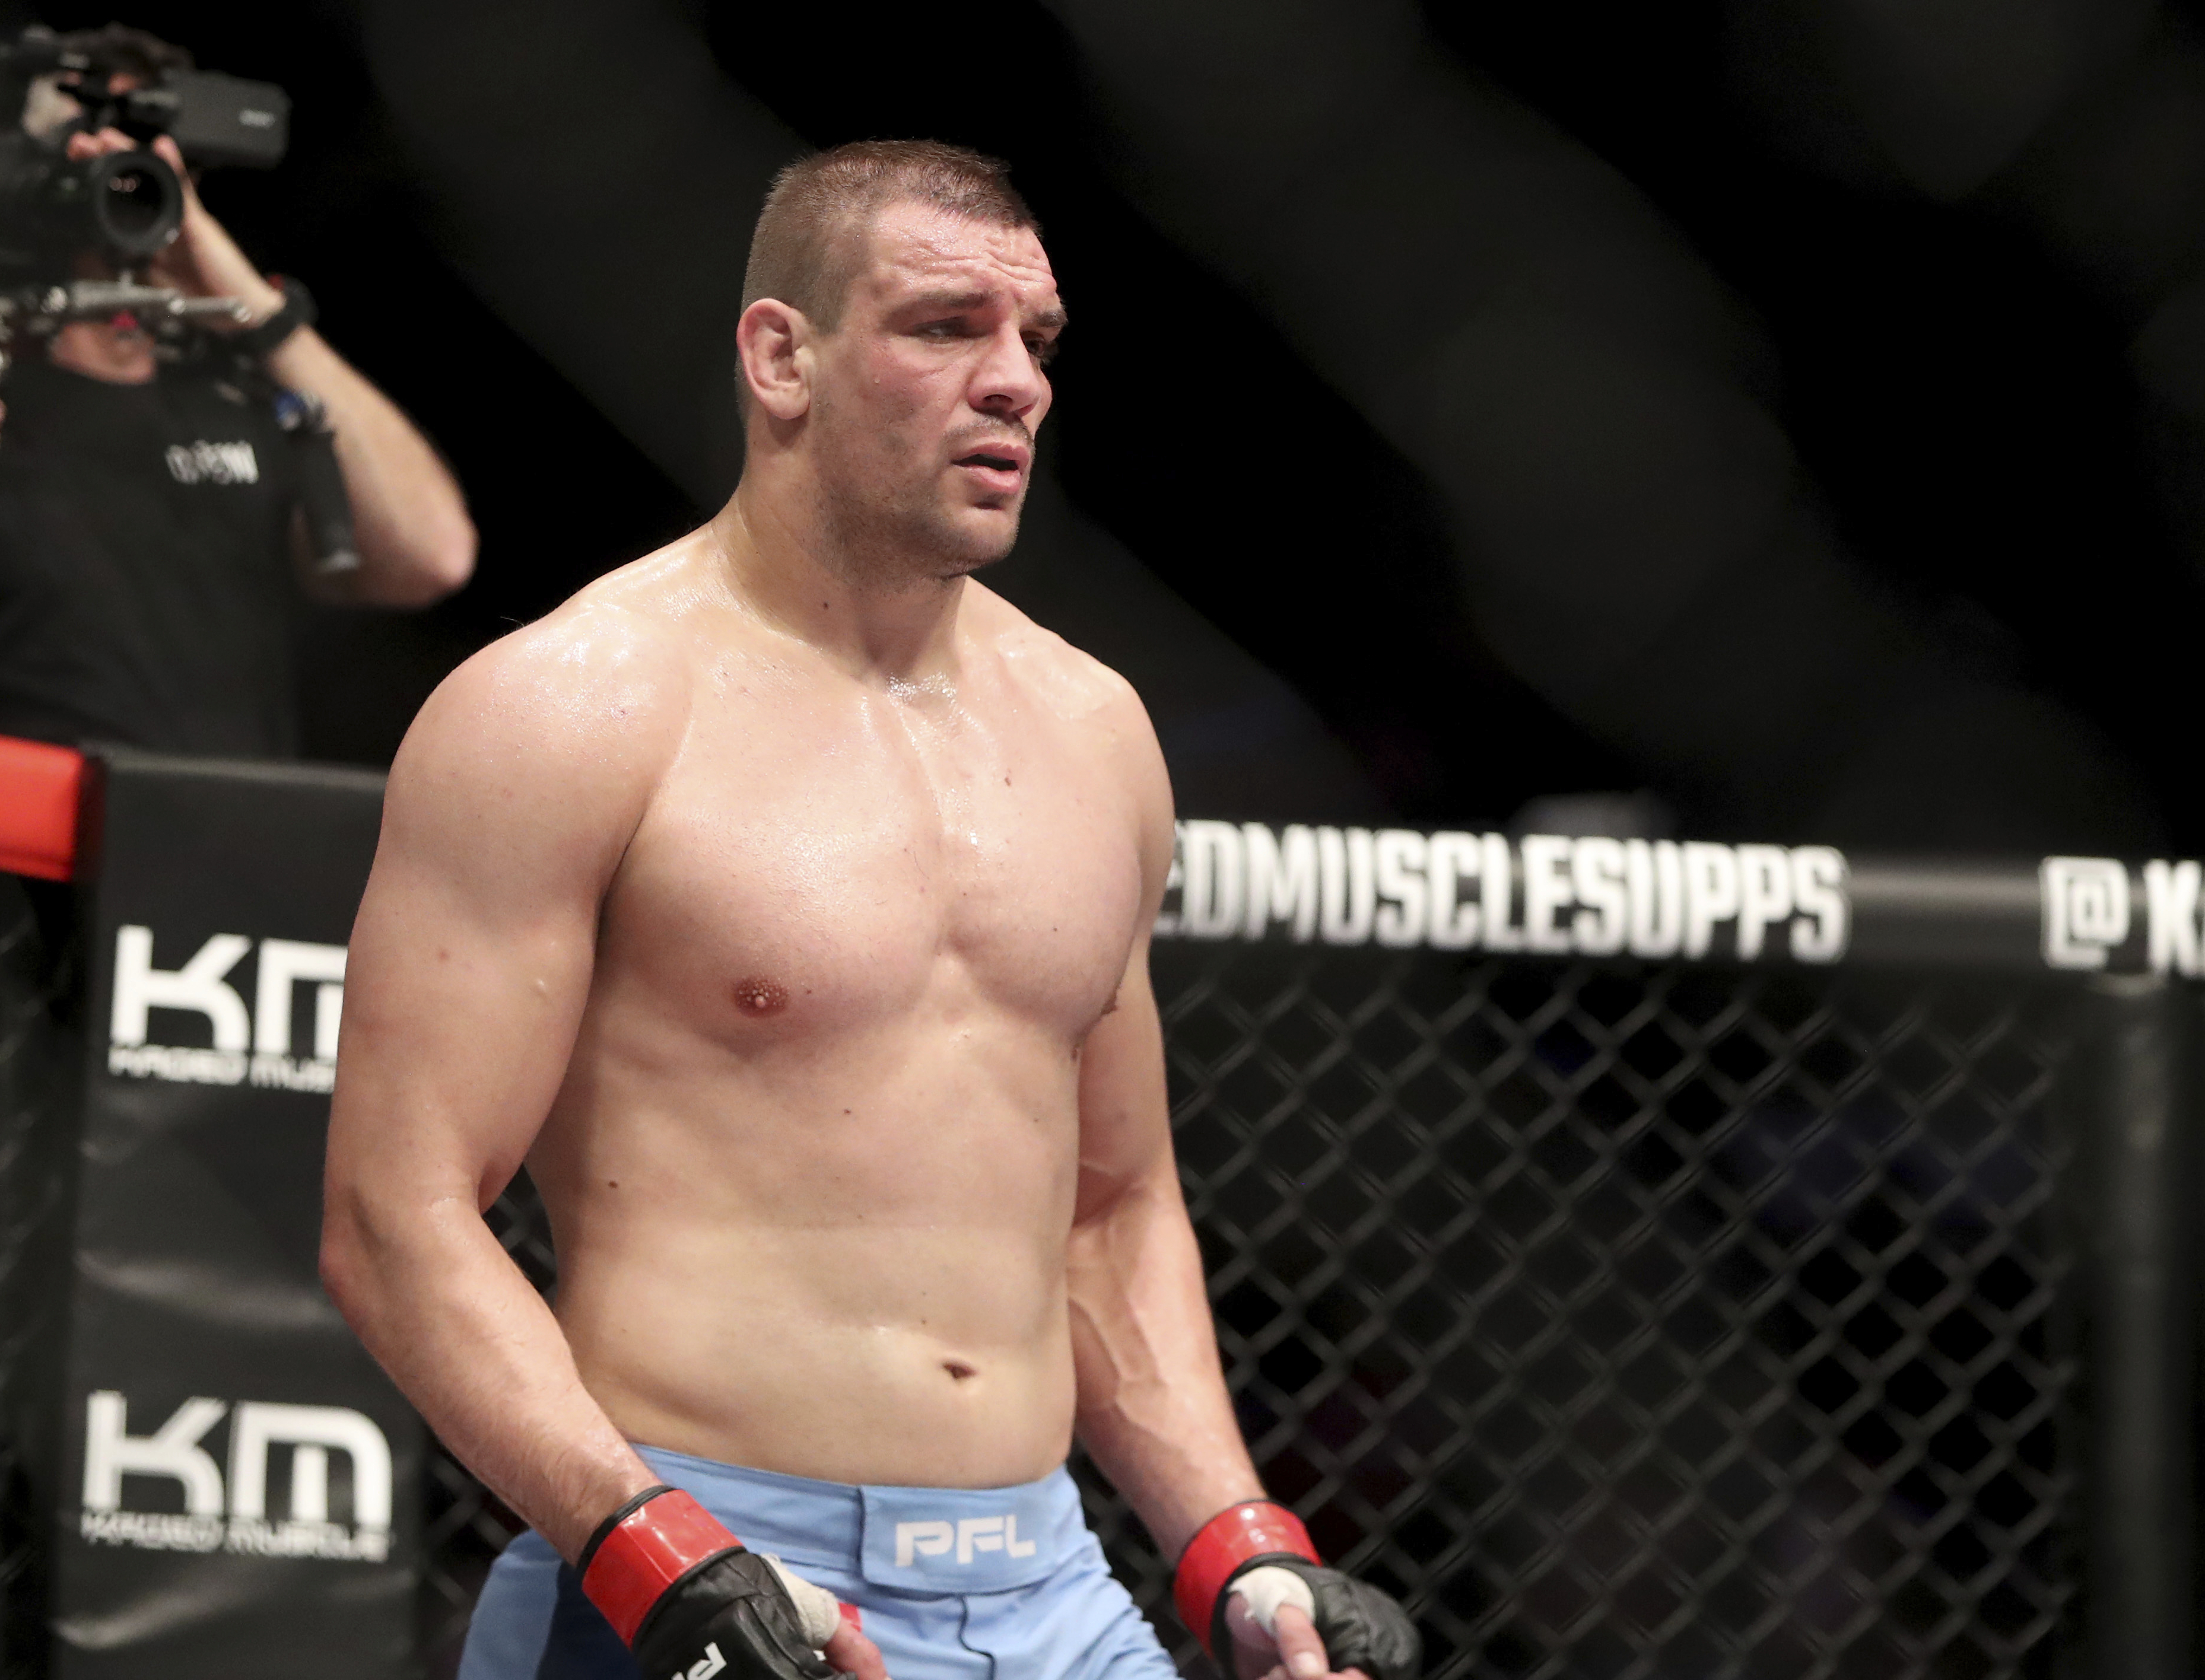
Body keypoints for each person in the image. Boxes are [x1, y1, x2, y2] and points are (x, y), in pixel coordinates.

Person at [320, 141, 1419, 1680]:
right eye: (944, 326)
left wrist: (1235, 1541)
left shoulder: (1097, 732)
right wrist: (650, 1550)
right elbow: (396, 1213)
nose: (1015, 381)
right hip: (708, 1553)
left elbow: (1111, 1210)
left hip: (1050, 1587)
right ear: (783, 357)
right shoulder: (573, 710)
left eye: (1036, 341)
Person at [0, 25, 474, 756]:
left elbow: (428, 556)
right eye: (75, 150)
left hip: (201, 880)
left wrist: (249, 303)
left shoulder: (235, 399)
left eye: (141, 155)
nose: (109, 177)